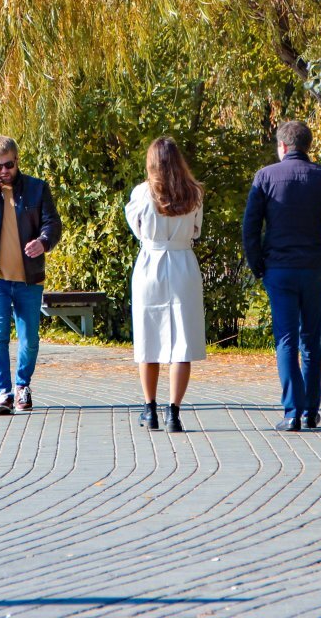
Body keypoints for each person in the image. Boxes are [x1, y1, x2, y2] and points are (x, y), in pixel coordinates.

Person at [242, 121, 321, 432]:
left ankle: (292, 412)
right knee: (311, 340)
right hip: (314, 267)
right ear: (307, 146)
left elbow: (251, 227)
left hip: (278, 267)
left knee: (286, 339)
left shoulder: (265, 177)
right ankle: (311, 412)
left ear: (283, 147)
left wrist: (257, 264)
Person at [0, 136, 62, 416]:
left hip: (29, 278)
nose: (3, 171)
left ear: (17, 162)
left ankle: (22, 385)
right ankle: (3, 393)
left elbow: (53, 223)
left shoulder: (36, 189)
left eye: (8, 165)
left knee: (29, 339)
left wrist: (43, 241)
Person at [125, 137, 206, 434]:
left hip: (151, 262)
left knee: (149, 339)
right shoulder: (194, 193)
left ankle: (150, 408)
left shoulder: (142, 193)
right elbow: (196, 230)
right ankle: (174, 412)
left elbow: (137, 229)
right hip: (183, 262)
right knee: (181, 341)